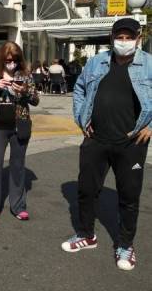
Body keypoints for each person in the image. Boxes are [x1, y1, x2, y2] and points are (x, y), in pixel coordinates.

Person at [62, 18, 151, 271]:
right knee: (86, 190)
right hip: (95, 140)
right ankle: (86, 235)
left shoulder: (148, 65)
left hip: (131, 143)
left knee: (129, 196)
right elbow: (79, 89)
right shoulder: (96, 62)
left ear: (138, 38)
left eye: (128, 37)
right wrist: (82, 118)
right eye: (119, 37)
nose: (124, 42)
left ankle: (125, 245)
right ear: (112, 38)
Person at [0, 42, 39, 222]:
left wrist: (24, 90)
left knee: (18, 166)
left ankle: (18, 206)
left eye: (15, 60)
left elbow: (35, 100)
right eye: (8, 60)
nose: (11, 63)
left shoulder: (25, 75)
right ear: (2, 59)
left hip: (20, 125)